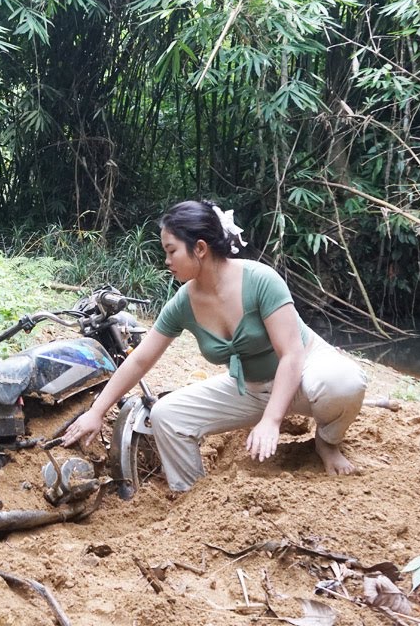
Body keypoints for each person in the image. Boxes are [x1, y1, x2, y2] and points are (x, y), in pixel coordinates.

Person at [60, 199, 367, 491]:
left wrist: (272, 421)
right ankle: (193, 494)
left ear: (201, 248)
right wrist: (97, 411)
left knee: (342, 383)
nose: (167, 262)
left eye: (171, 251)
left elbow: (291, 354)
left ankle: (327, 443)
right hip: (249, 387)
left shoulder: (261, 280)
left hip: (302, 371)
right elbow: (140, 359)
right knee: (167, 415)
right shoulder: (184, 303)